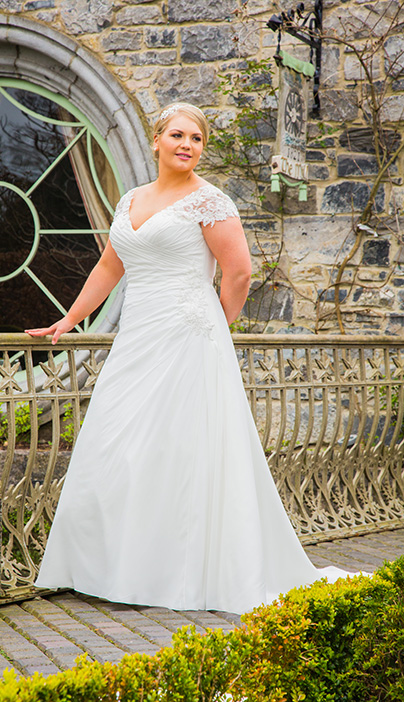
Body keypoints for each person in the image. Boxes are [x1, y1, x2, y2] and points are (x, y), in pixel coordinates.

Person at [26, 102, 352, 614]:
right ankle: (106, 566)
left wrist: (211, 326)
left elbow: (238, 272)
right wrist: (68, 321)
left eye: (196, 139)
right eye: (177, 135)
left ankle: (173, 571)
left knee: (179, 444)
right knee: (119, 438)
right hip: (137, 335)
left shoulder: (211, 200)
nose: (187, 145)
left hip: (190, 334)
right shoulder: (131, 199)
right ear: (156, 139)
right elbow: (110, 266)